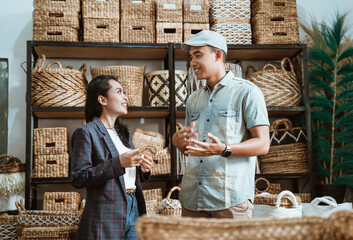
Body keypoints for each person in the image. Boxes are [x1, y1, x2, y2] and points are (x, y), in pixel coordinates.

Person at [172, 31, 270, 220]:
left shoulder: (247, 92)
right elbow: (191, 149)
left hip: (231, 202)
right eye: (191, 56)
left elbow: (263, 144)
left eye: (198, 55)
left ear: (217, 55)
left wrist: (223, 149)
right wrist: (178, 142)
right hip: (193, 201)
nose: (192, 62)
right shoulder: (193, 99)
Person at [71, 75, 153, 240]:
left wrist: (142, 169)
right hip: (105, 213)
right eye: (119, 92)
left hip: (134, 206)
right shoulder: (86, 132)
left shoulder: (125, 134)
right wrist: (119, 163)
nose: (126, 97)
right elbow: (78, 177)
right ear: (102, 99)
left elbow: (125, 177)